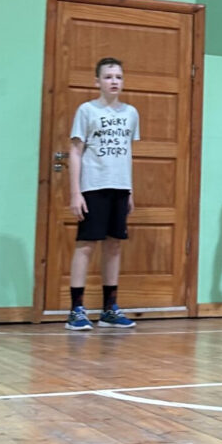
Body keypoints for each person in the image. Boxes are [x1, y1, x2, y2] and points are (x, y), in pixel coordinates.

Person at [65, 57, 140, 331]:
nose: (114, 81)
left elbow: (128, 152)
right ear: (97, 81)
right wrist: (76, 192)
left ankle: (109, 309)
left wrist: (130, 190)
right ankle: (76, 310)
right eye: (108, 77)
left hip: (120, 187)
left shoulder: (131, 113)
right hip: (93, 186)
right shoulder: (87, 110)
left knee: (114, 245)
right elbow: (75, 151)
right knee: (86, 245)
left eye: (118, 76)